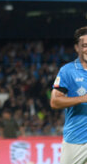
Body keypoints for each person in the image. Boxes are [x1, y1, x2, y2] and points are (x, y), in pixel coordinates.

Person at [51, 26, 87, 164]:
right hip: (76, 141)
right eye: (84, 46)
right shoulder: (68, 71)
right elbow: (54, 102)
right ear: (77, 48)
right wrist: (83, 98)